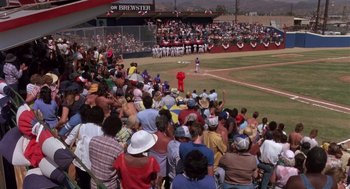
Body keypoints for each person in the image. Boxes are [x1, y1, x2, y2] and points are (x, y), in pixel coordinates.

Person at [65, 106, 105, 189]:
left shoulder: (80, 126)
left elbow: (68, 141)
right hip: (93, 166)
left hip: (79, 162)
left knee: (81, 183)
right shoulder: (102, 131)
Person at [89, 115, 124, 189]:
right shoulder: (118, 148)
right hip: (109, 185)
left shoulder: (93, 140)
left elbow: (91, 159)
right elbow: (120, 169)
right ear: (118, 129)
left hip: (94, 182)